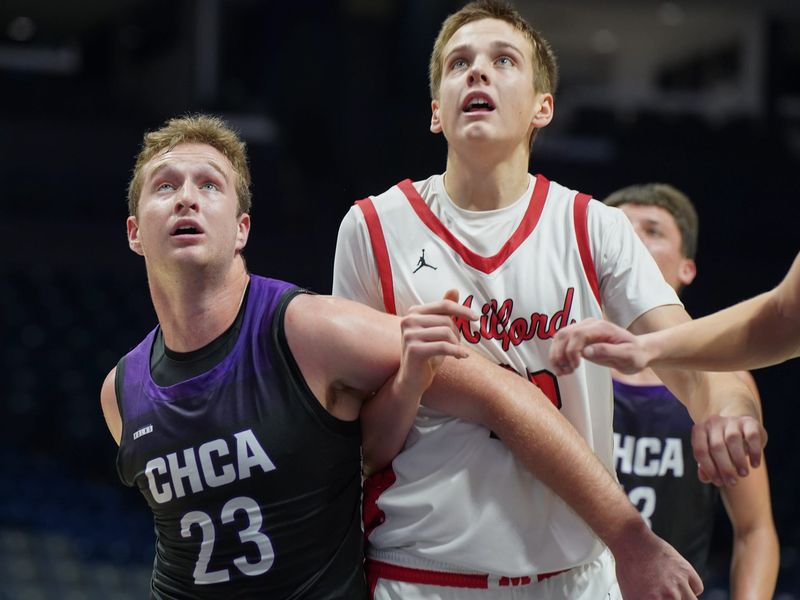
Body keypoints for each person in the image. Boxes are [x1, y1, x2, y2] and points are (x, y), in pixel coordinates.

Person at [100, 114, 703, 599]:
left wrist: (627, 536)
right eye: (165, 186)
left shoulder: (310, 328)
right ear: (133, 232)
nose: (186, 198)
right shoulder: (120, 392)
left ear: (241, 229)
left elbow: (498, 391)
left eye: (209, 185)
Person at [332, 1, 765, 598]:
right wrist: (409, 377)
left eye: (502, 60)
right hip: (423, 575)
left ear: (544, 107)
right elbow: (355, 449)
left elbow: (693, 362)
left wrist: (731, 408)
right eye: (459, 63)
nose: (477, 73)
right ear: (436, 112)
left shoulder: (594, 227)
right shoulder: (371, 227)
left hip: (573, 578)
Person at [603, 183, 778, 598]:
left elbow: (754, 531)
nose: (633, 241)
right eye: (621, 230)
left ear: (687, 268)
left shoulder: (724, 380)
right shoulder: (552, 362)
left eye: (653, 230)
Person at [550, 250, 800, 374]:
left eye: (653, 231)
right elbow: (783, 317)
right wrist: (645, 347)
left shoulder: (722, 384)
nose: (638, 243)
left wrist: (730, 408)